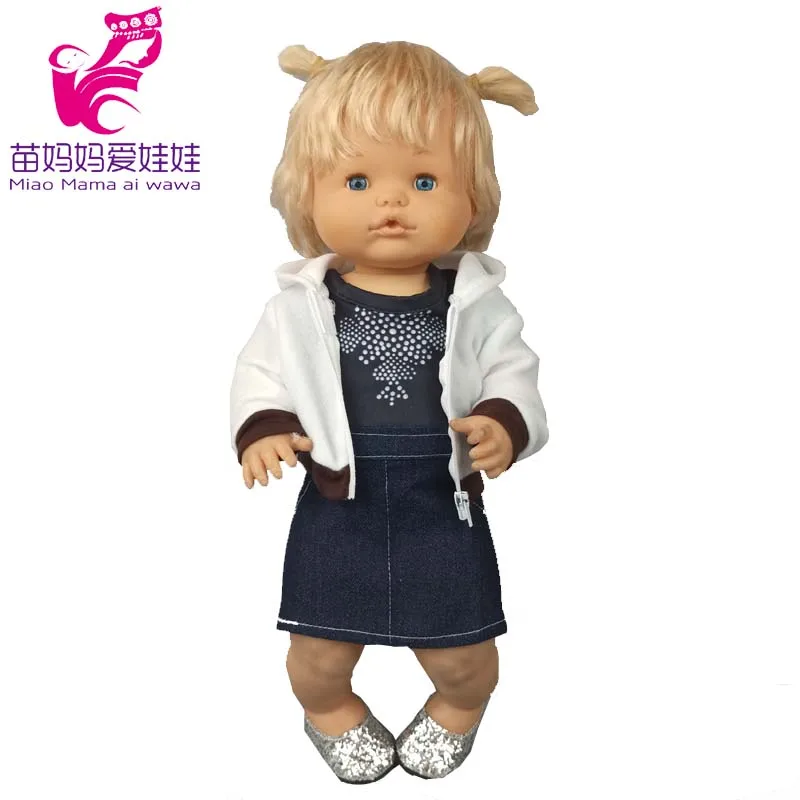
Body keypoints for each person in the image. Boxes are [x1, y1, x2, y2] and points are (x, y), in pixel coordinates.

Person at [229, 40, 549, 783]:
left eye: (425, 180)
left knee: (465, 652)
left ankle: (460, 706)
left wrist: (503, 421)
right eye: (358, 179)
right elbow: (260, 375)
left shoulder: (479, 304)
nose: (392, 202)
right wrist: (264, 427)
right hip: (339, 496)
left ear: (474, 197)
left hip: (441, 498)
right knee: (315, 653)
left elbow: (514, 371)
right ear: (306, 192)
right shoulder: (298, 307)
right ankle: (330, 711)